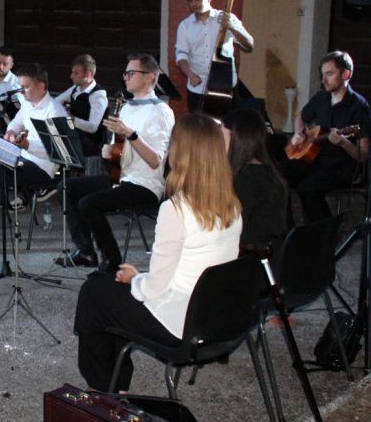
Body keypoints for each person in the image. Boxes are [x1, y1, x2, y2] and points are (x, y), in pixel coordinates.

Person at [74, 113, 242, 392]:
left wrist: (135, 279)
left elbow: (154, 289)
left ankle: (104, 390)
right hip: (216, 315)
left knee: (94, 293)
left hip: (180, 323)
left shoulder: (176, 209)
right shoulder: (232, 205)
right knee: (111, 295)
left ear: (182, 154)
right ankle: (115, 384)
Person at [57, 53, 174, 271]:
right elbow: (119, 151)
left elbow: (156, 161)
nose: (125, 77)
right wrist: (109, 151)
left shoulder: (161, 111)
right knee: (66, 187)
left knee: (88, 204)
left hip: (145, 184)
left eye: (131, 73)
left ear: (149, 77)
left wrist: (131, 134)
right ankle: (86, 251)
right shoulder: (127, 107)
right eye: (125, 73)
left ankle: (112, 261)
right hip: (121, 177)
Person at [0, 62, 67, 255]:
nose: (22, 91)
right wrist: (10, 132)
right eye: (20, 87)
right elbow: (16, 123)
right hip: (21, 156)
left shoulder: (55, 110)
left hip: (42, 167)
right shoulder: (27, 104)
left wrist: (27, 145)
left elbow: (56, 153)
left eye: (26, 87)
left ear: (42, 85)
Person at [283, 50, 371, 223]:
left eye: (329, 74)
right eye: (322, 75)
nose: (323, 80)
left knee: (307, 188)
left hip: (342, 168)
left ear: (346, 74)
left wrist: (344, 143)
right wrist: (298, 133)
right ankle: (287, 231)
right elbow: (301, 116)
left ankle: (325, 233)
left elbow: (363, 155)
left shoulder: (360, 107)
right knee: (278, 174)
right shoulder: (321, 97)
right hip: (314, 160)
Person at [175, 0, 254, 112]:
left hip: (224, 85)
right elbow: (181, 55)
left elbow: (249, 45)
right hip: (197, 87)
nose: (194, 3)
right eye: (190, 0)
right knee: (199, 130)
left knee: (227, 128)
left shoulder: (227, 18)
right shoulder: (185, 26)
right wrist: (190, 74)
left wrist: (233, 27)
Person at [222, 108, 288, 256]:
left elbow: (227, 231)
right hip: (273, 257)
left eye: (221, 136)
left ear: (236, 140)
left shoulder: (243, 181)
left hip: (251, 260)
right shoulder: (269, 171)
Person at [54, 54, 108, 156]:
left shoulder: (98, 95)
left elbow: (93, 127)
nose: (71, 76)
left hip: (90, 145)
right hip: (75, 137)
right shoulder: (75, 88)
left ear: (87, 74)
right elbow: (56, 102)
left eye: (75, 73)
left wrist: (71, 119)